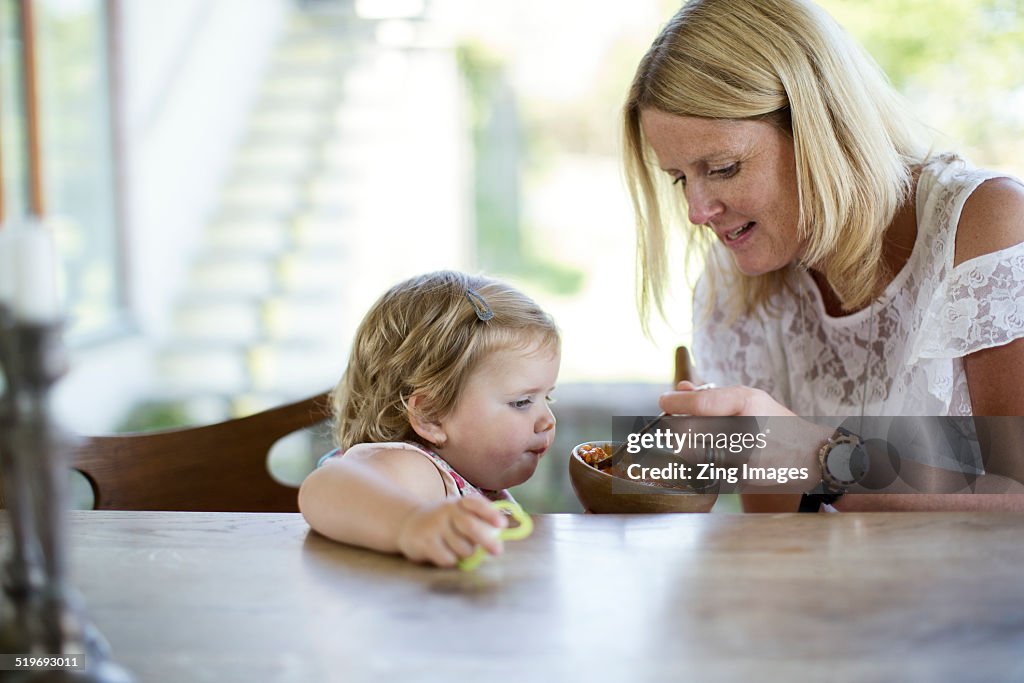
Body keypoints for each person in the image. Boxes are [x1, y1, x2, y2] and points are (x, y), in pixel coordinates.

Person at [621, 0, 1024, 511]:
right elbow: (778, 532)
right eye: (680, 179)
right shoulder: (735, 285)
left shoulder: (984, 223)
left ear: (820, 129)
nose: (697, 212)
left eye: (722, 168)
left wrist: (819, 456)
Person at [299, 271, 560, 565]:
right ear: (431, 415)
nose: (547, 421)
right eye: (522, 402)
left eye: (547, 397)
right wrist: (411, 523)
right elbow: (325, 488)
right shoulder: (416, 468)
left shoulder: (466, 474)